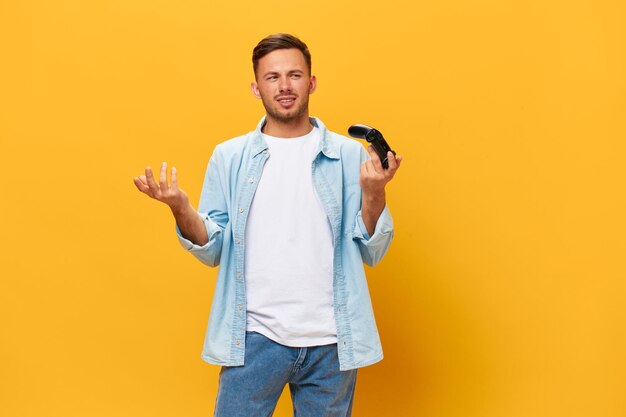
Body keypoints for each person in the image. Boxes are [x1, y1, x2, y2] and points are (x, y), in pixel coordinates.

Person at [133, 33, 402, 417]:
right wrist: (180, 207)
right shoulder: (229, 157)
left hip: (332, 341)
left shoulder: (346, 154)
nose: (285, 86)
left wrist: (375, 192)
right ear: (256, 87)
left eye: (294, 75)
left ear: (311, 82)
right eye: (272, 77)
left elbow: (372, 248)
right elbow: (212, 247)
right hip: (255, 338)